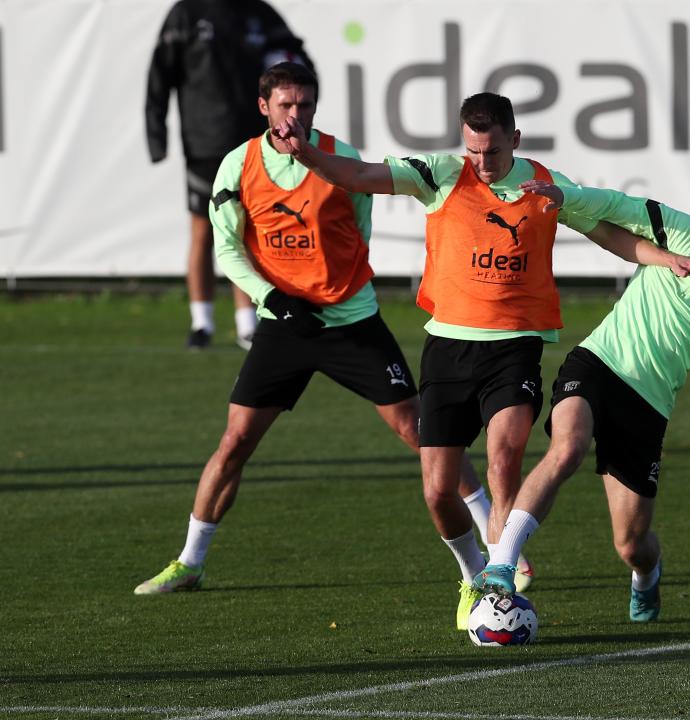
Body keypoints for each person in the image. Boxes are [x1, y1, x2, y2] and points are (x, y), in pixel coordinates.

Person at [134, 63, 493, 599]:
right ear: (264, 108)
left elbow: (360, 230)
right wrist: (271, 297)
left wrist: (339, 289)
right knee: (234, 442)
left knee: (422, 432)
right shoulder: (238, 165)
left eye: (304, 105)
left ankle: (499, 544)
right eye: (285, 105)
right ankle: (189, 562)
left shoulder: (341, 160)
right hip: (283, 326)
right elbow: (227, 247)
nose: (294, 115)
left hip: (351, 322)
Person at [270, 92, 601, 629]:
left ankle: (500, 580)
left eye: (491, 152)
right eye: (472, 151)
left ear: (514, 141)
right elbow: (356, 174)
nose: (481, 163)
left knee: (503, 461)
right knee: (437, 491)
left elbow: (608, 221)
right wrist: (306, 155)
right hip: (447, 347)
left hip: (515, 345)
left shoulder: (544, 185)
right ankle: (473, 574)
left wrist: (666, 257)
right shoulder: (441, 174)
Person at [474, 181, 690, 624]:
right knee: (567, 449)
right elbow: (617, 206)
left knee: (631, 545)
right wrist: (562, 196)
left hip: (649, 403)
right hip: (597, 363)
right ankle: (502, 564)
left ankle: (647, 577)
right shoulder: (678, 233)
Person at [145, 0, 314, 350]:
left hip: (255, 143)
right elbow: (160, 75)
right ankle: (201, 322)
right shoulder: (186, 13)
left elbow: (299, 64)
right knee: (203, 231)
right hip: (203, 142)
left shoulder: (259, 14)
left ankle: (247, 324)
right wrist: (156, 135)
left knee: (249, 230)